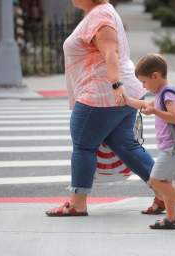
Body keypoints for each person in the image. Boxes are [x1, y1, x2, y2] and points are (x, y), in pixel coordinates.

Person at [45, 0, 164, 216]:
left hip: (101, 95)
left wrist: (116, 87)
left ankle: (77, 203)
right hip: (114, 93)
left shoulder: (100, 17)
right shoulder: (100, 13)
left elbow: (111, 53)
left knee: (83, 146)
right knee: (125, 145)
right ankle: (165, 194)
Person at [123, 53, 175, 229]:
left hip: (172, 148)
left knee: (155, 182)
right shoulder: (161, 93)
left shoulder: (167, 95)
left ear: (155, 76)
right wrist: (126, 100)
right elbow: (144, 106)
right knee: (165, 183)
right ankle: (171, 219)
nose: (143, 86)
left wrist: (155, 112)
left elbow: (174, 117)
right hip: (170, 147)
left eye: (144, 82)